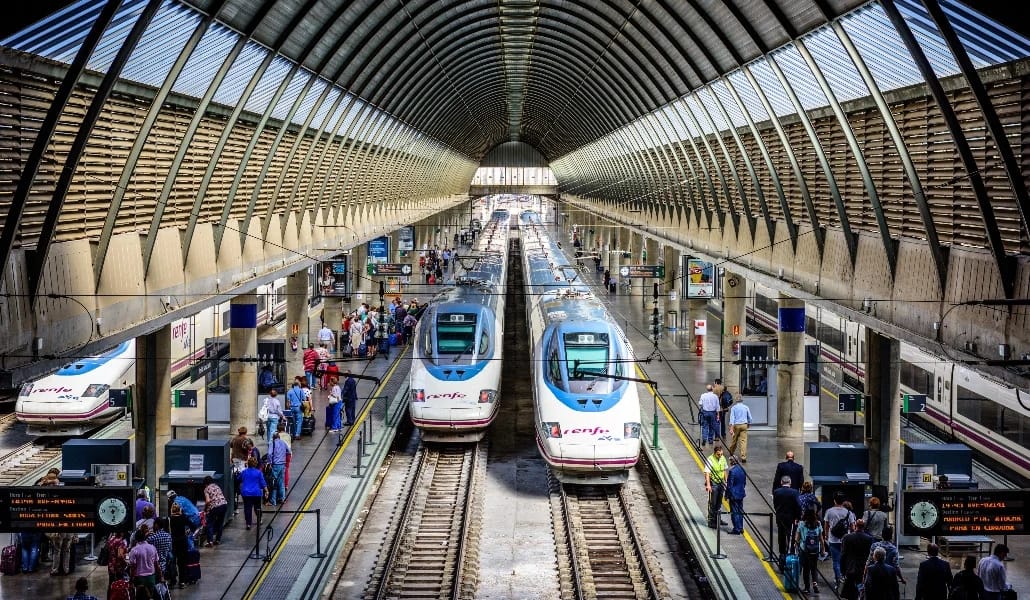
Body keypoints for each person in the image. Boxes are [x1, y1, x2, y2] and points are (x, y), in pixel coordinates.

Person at [823, 491, 854, 589]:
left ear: (834, 500)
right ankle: (844, 577)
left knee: (836, 561)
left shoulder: (829, 511)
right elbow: (852, 527)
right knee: (845, 560)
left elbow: (826, 525)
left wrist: (826, 536)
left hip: (833, 540)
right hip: (845, 540)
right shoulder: (848, 512)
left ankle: (838, 579)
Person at [840, 519, 876, 600]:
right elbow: (870, 555)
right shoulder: (869, 539)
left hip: (850, 566)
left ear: (855, 525)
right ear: (864, 527)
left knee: (850, 591)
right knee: (862, 588)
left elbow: (843, 554)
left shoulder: (847, 537)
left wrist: (842, 570)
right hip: (863, 566)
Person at [773, 475, 800, 571]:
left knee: (781, 536)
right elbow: (798, 506)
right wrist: (798, 517)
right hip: (790, 518)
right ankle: (789, 558)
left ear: (781, 482)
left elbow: (775, 505)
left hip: (780, 518)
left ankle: (782, 557)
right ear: (790, 482)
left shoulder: (776, 492)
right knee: (791, 537)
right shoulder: (794, 492)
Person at [795, 507, 825, 593]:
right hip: (815, 550)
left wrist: (796, 546)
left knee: (806, 569)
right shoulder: (818, 524)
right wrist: (823, 550)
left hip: (804, 550)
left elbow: (797, 539)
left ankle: (807, 588)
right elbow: (821, 539)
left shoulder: (802, 524)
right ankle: (815, 583)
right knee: (814, 568)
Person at [126, 529, 160, 599]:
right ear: (145, 537)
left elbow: (133, 567)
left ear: (136, 538)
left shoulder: (134, 550)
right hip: (151, 577)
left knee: (140, 597)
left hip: (139, 579)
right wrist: (161, 576)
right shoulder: (152, 547)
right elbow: (156, 563)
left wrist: (131, 580)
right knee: (150, 596)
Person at [238, 456, 267, 531]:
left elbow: (238, 479)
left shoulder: (244, 472)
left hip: (246, 493)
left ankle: (248, 524)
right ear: (255, 464)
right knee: (258, 507)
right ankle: (259, 520)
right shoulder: (259, 472)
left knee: (247, 508)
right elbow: (263, 483)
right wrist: (267, 491)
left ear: (248, 464)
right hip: (256, 493)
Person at [703, 445, 728, 529]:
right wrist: (709, 485)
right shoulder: (710, 459)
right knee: (713, 503)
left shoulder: (723, 458)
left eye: (721, 454)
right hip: (714, 483)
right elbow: (707, 472)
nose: (720, 456)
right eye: (718, 454)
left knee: (719, 502)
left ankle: (718, 519)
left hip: (721, 483)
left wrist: (726, 481)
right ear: (714, 453)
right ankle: (711, 521)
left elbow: (724, 470)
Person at [146, 518, 172, 588]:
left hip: (153, 567)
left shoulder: (152, 538)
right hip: (164, 565)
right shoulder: (168, 536)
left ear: (156, 525)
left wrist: (146, 535)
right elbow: (170, 550)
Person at [202, 476, 227, 546]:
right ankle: (218, 540)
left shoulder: (206, 489)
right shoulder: (216, 486)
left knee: (209, 523)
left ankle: (210, 541)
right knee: (220, 523)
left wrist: (205, 509)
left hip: (215, 507)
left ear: (205, 483)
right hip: (224, 505)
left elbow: (208, 501)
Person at [267, 432, 291, 507]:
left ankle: (273, 501)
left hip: (275, 465)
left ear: (273, 438)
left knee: (274, 483)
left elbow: (269, 454)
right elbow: (289, 451)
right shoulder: (283, 442)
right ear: (279, 437)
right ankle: (282, 498)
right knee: (281, 482)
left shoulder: (272, 443)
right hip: (283, 465)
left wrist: (270, 462)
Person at [725, 455, 746, 535]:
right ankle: (740, 528)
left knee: (734, 511)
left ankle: (736, 529)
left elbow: (729, 485)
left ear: (732, 462)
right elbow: (744, 482)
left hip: (734, 495)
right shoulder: (742, 469)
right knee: (740, 511)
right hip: (741, 493)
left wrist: (727, 495)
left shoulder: (732, 471)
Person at [727, 395, 752, 461]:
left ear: (736, 400)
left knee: (734, 440)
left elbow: (732, 418)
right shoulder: (746, 407)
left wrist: (731, 428)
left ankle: (731, 452)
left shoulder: (734, 408)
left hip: (736, 425)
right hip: (744, 425)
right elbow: (750, 417)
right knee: (743, 441)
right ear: (742, 400)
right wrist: (749, 423)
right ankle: (743, 457)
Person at [104, 530, 129, 596]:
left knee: (111, 583)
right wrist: (126, 562)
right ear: (121, 532)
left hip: (111, 565)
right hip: (118, 567)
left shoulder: (111, 539)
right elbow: (120, 555)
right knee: (119, 584)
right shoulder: (121, 542)